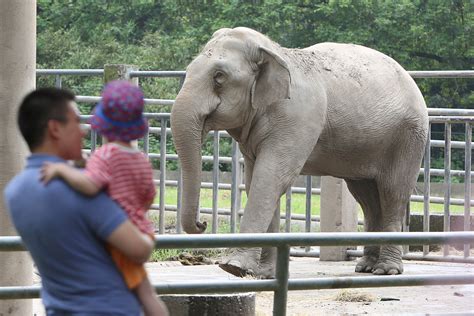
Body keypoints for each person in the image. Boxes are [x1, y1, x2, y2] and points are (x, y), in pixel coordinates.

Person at [3, 87, 165, 316]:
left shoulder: (15, 192)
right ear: (55, 128)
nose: (85, 132)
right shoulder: (78, 192)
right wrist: (148, 241)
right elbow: (140, 250)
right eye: (77, 122)